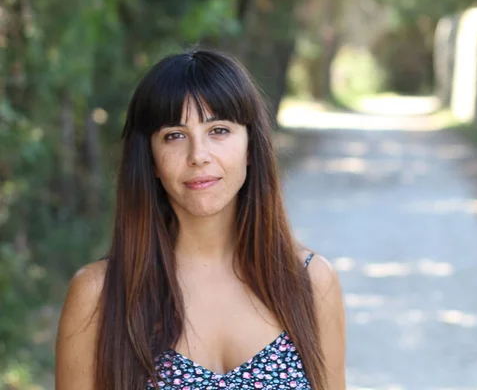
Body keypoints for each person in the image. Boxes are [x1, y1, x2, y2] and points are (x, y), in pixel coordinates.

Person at [54, 48, 346, 390]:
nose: (199, 156)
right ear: (150, 159)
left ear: (251, 147)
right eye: (175, 136)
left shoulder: (310, 282)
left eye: (218, 130)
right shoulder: (98, 294)